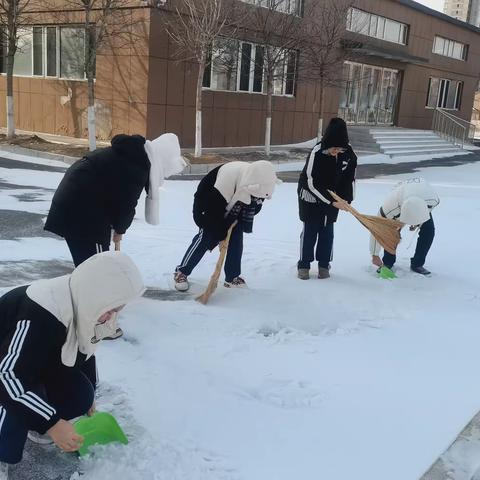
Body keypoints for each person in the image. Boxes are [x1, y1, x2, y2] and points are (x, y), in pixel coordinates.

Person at [0, 252, 145, 479]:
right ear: (95, 294)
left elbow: (85, 349)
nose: (110, 317)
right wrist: (52, 422)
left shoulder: (81, 302)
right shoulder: (39, 312)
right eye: (109, 309)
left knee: (80, 393)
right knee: (14, 395)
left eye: (116, 310)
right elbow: (8, 376)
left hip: (31, 362)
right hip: (6, 368)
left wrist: (91, 392)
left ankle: (35, 424)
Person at [45, 133, 186, 267]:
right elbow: (125, 206)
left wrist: (118, 228)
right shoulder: (137, 166)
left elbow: (116, 197)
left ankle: (88, 290)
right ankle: (92, 291)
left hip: (77, 205)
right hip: (81, 213)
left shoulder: (132, 156)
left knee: (89, 269)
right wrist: (120, 230)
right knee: (96, 269)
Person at [173, 160, 279, 292]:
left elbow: (256, 205)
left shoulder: (262, 180)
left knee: (236, 239)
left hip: (236, 204)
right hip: (209, 200)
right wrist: (220, 234)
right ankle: (181, 271)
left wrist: (240, 216)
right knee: (206, 237)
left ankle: (232, 277)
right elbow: (214, 214)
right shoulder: (226, 180)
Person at [297, 117, 357, 280]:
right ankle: (304, 265)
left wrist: (346, 199)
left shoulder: (349, 154)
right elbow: (310, 182)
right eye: (333, 148)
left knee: (327, 232)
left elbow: (348, 178)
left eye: (339, 149)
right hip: (311, 196)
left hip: (333, 196)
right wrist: (332, 202)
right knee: (310, 231)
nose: (335, 152)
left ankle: (324, 265)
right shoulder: (317, 152)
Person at [370, 177, 439, 275]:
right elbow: (377, 229)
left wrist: (418, 223)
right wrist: (374, 255)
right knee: (391, 234)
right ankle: (388, 262)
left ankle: (417, 263)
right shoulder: (389, 208)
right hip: (400, 196)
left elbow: (428, 210)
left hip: (421, 196)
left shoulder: (432, 200)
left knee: (429, 232)